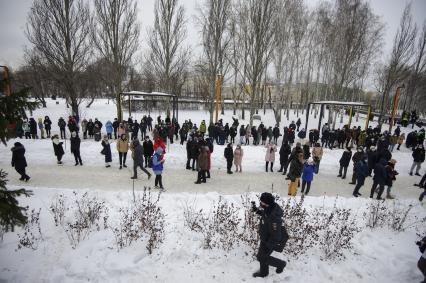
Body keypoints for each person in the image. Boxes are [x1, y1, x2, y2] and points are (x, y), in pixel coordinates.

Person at [252, 192, 287, 278]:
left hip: (270, 240)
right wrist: (257, 210)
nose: (261, 203)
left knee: (261, 257)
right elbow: (265, 215)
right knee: (261, 256)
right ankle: (264, 273)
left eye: (262, 202)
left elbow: (277, 235)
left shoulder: (274, 218)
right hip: (265, 237)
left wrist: (269, 245)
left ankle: (281, 264)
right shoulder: (270, 208)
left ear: (267, 203)